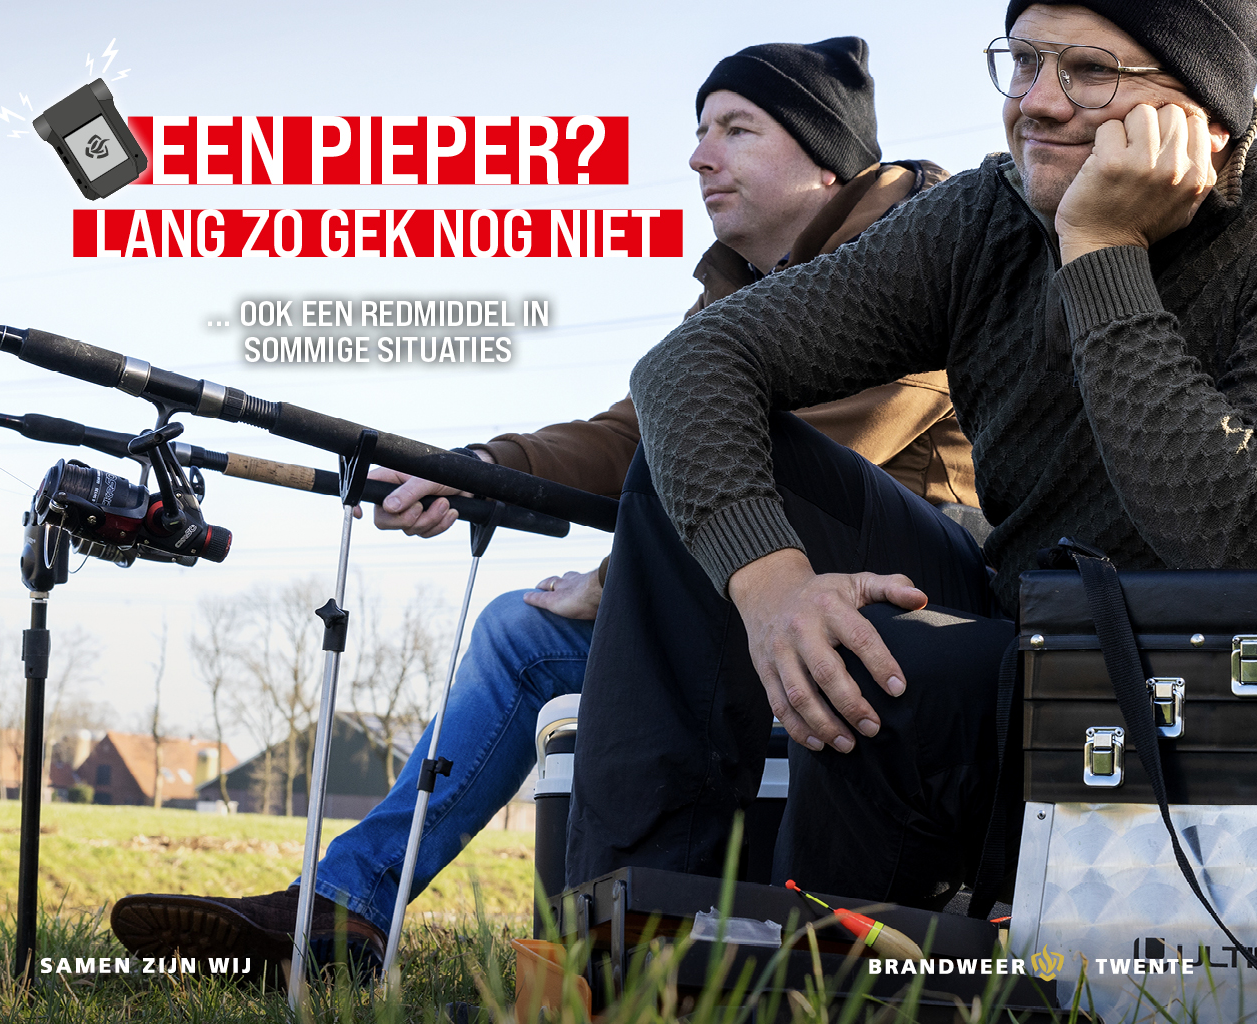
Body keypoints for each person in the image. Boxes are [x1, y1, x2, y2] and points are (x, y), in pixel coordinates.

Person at [110, 36, 977, 977]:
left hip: (901, 617)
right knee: (520, 632)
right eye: (699, 131)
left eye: (737, 130)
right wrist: (478, 468)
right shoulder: (737, 301)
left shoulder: (915, 263)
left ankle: (664, 940)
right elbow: (636, 433)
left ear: (825, 157)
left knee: (572, 614)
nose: (699, 156)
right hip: (744, 612)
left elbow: (789, 465)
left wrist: (614, 578)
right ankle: (347, 910)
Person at [565, 0, 1257, 914]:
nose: (1037, 102)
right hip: (1018, 612)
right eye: (1024, 61)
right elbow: (691, 365)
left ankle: (829, 967)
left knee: (888, 674)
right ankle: (634, 939)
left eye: (1090, 72)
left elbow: (1227, 535)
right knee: (683, 473)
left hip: (1199, 674)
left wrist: (1100, 249)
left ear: (1207, 113)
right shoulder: (985, 213)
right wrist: (773, 590)